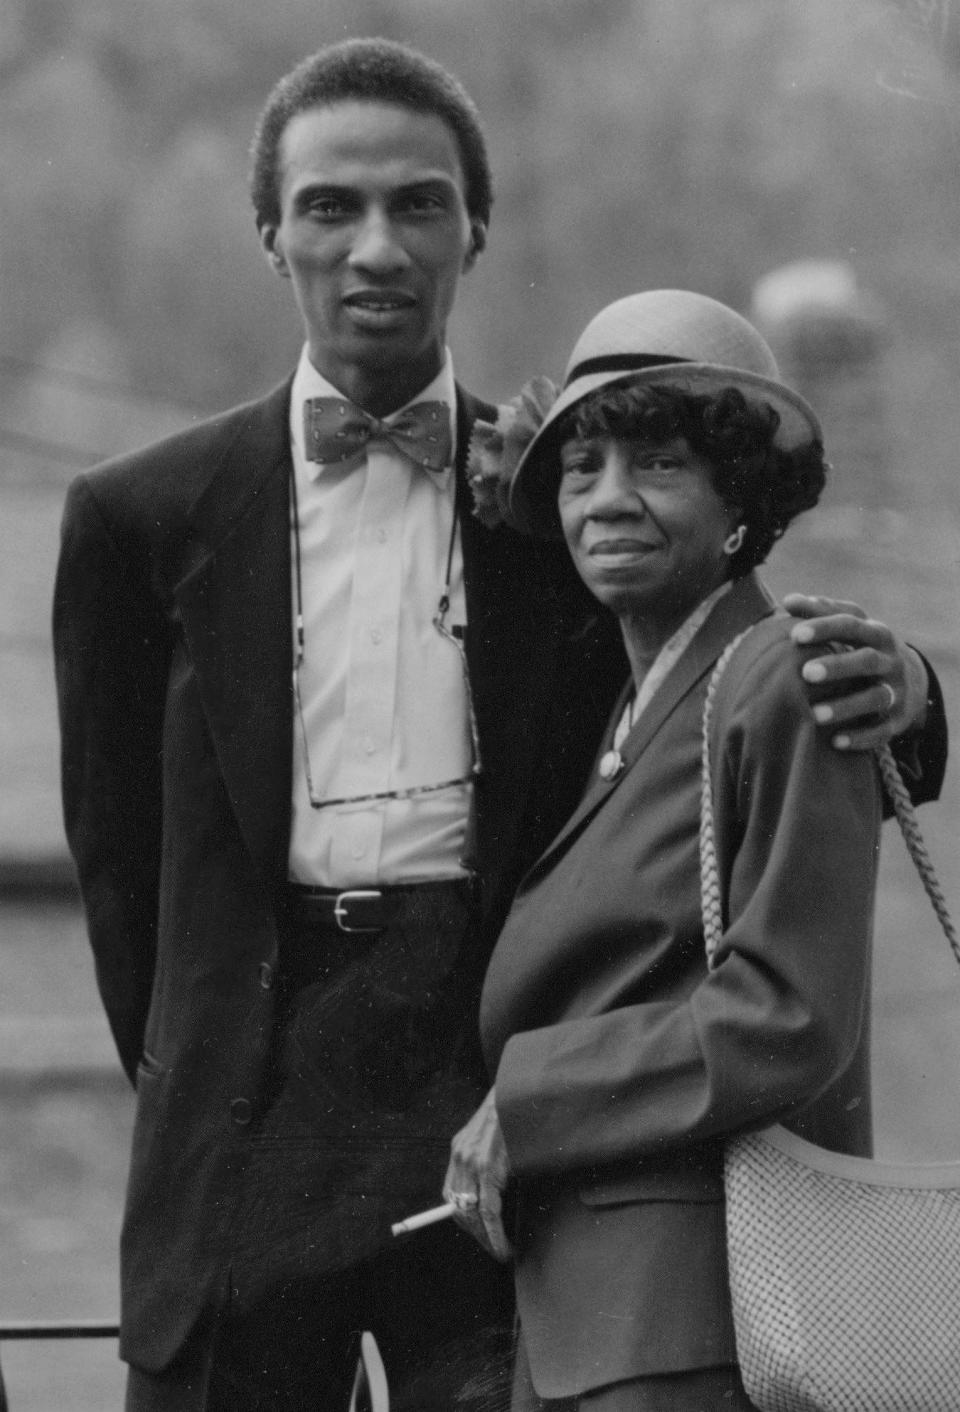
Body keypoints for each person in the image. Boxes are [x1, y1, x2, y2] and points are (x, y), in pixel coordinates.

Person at [51, 39, 943, 1412]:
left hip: (497, 1097)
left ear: (476, 228)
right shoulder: (137, 517)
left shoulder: (563, 506)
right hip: (247, 1117)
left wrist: (915, 696)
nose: (374, 248)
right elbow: (117, 866)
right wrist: (196, 1075)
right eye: (329, 208)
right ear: (268, 235)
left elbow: (730, 679)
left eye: (417, 204)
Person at [443, 289, 927, 1410]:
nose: (608, 499)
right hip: (591, 1328)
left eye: (656, 463)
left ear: (740, 504)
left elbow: (789, 1012)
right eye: (581, 468)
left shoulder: (777, 676)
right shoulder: (636, 704)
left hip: (700, 1329)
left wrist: (529, 1098)